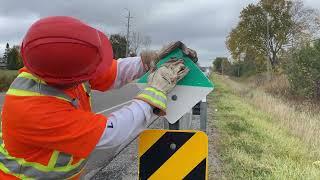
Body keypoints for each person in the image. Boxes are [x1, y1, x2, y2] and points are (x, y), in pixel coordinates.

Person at [0, 16, 197, 179]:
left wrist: (149, 61)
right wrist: (155, 92)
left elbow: (114, 72)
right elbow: (112, 133)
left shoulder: (55, 68)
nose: (93, 71)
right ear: (70, 75)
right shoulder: (33, 110)